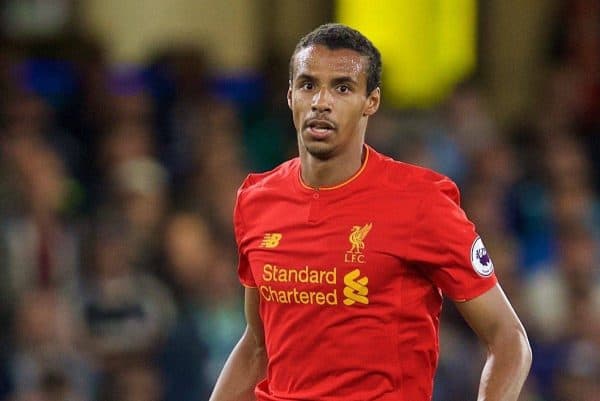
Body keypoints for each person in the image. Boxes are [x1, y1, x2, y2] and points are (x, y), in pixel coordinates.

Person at [210, 23, 531, 401]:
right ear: (290, 95)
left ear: (371, 101)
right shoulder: (256, 200)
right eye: (308, 85)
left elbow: (509, 340)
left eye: (342, 87)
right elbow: (256, 345)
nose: (321, 102)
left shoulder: (421, 203)